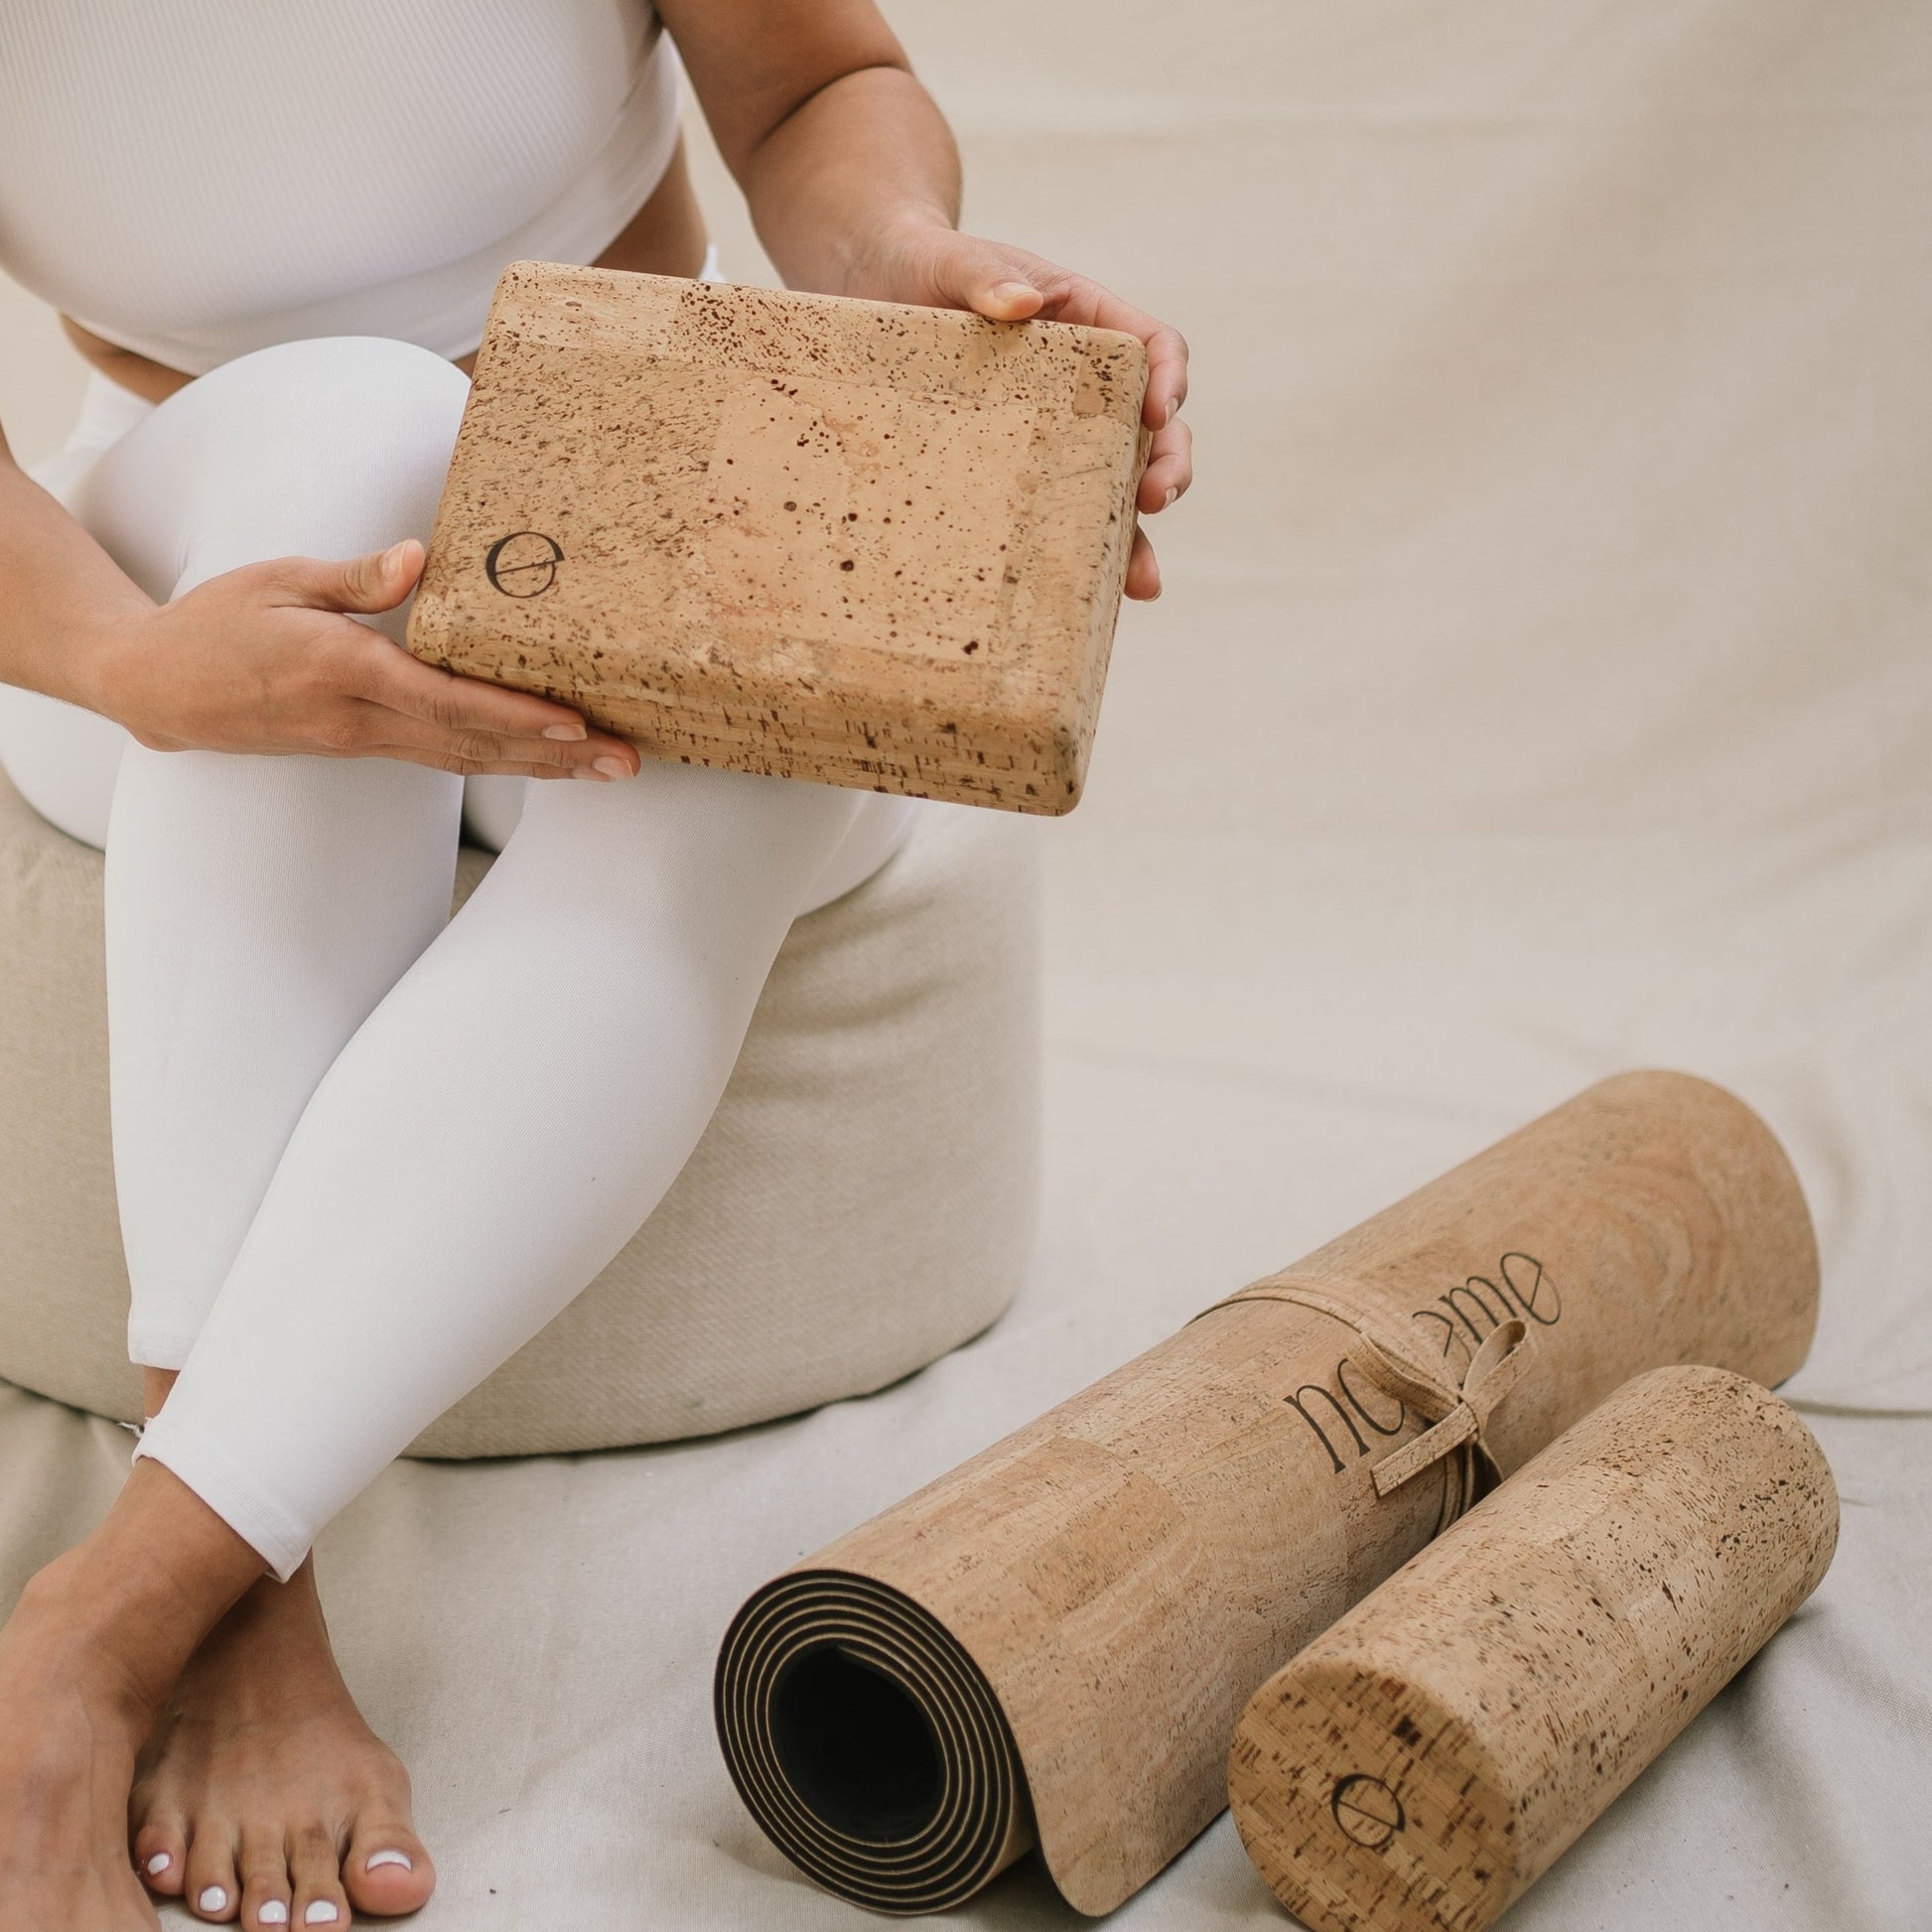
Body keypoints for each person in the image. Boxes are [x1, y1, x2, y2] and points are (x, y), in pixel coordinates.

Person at [0, 3, 1191, 1926]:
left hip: (670, 457)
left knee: (726, 768)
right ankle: (250, 1611)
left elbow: (813, 91)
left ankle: (99, 1622)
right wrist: (145, 666)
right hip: (153, 559)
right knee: (340, 425)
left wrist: (911, 272)